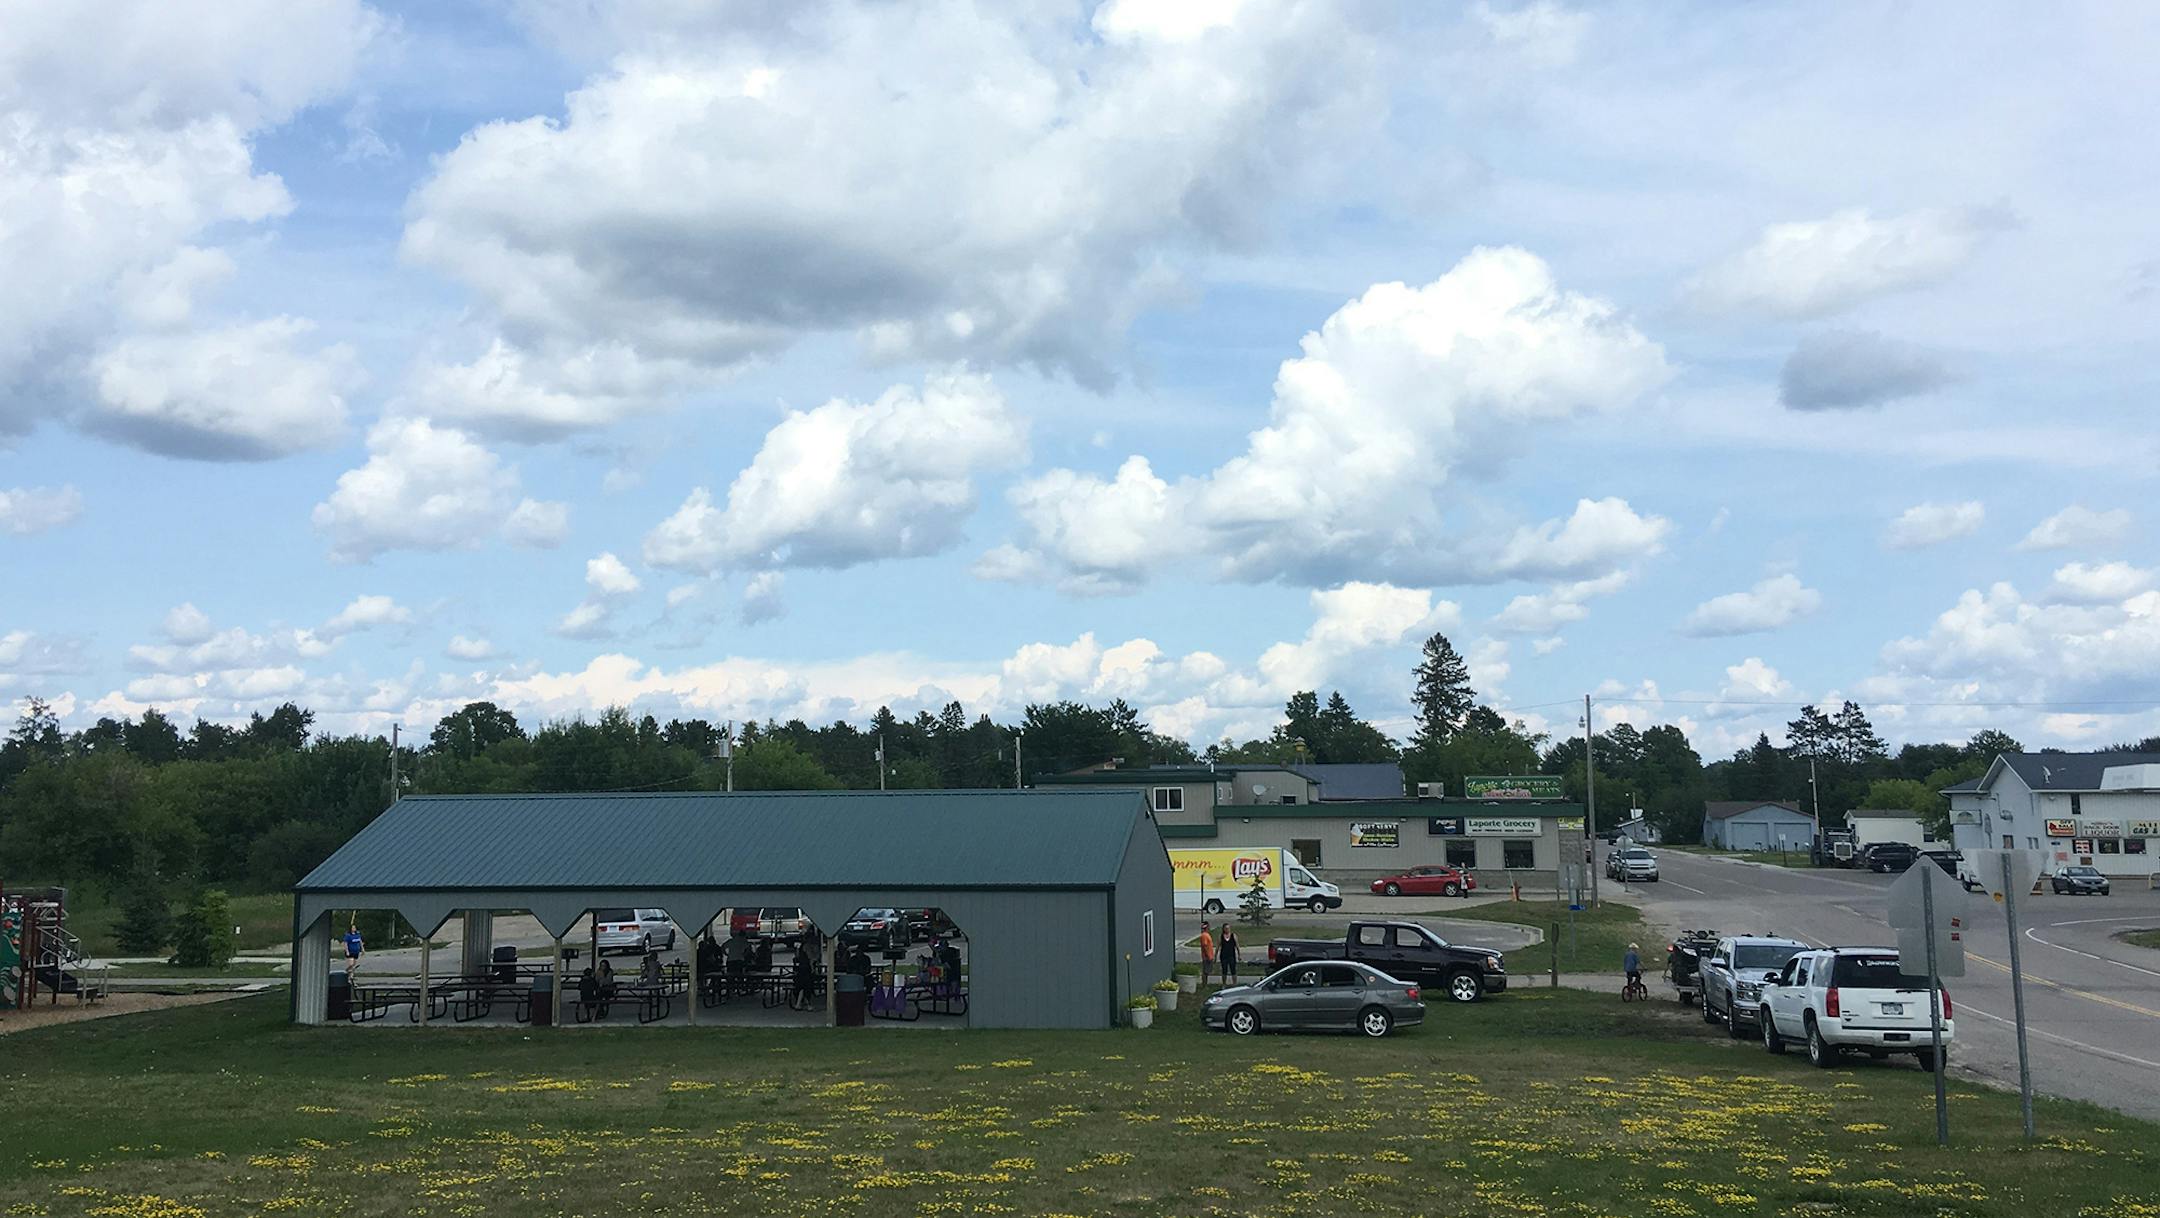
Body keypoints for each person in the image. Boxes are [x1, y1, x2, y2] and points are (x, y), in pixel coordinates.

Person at [1197, 921, 1216, 987]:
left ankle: (1205, 984)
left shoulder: (1206, 934)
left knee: (1207, 972)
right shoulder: (1204, 935)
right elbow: (1204, 946)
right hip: (1207, 957)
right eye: (1208, 926)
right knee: (1205, 972)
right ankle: (1204, 985)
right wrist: (1208, 956)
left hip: (1209, 956)